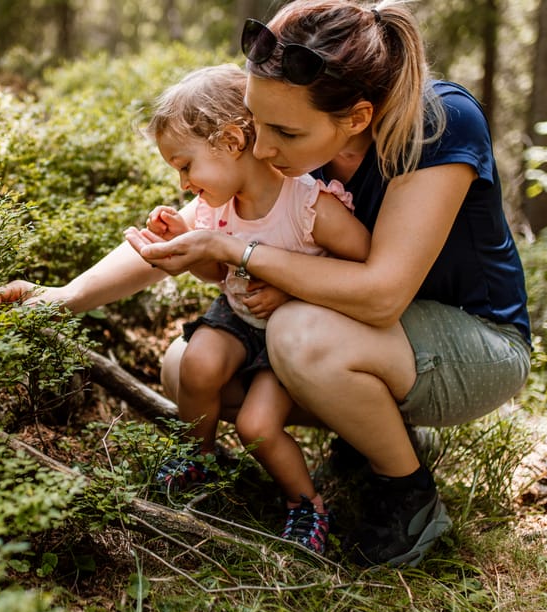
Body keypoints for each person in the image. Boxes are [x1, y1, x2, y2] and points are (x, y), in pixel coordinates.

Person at [122, 0, 532, 567]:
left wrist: (244, 253)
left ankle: (407, 496)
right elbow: (189, 235)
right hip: (375, 338)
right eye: (256, 121)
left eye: (282, 132)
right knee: (184, 364)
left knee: (297, 333)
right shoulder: (297, 131)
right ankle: (378, 435)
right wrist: (64, 298)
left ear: (358, 118)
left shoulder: (439, 123)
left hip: (475, 344)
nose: (261, 147)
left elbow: (383, 293)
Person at [131, 65, 371, 557]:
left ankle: (307, 506)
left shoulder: (309, 206)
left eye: (185, 165)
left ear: (233, 140)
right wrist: (185, 242)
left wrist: (291, 293)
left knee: (257, 427)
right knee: (197, 362)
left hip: (294, 329)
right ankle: (197, 456)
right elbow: (217, 277)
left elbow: (364, 263)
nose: (181, 183)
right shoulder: (217, 209)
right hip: (238, 317)